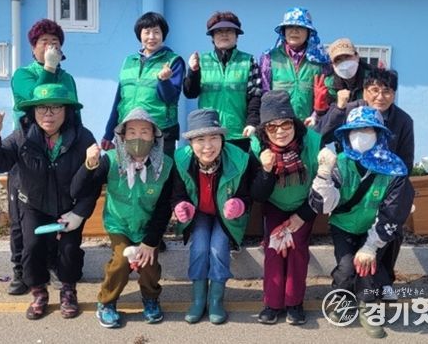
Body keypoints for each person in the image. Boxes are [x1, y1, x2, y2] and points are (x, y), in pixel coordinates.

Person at [0, 84, 101, 320]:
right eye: (42, 108)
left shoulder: (83, 137)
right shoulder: (22, 136)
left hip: (68, 207)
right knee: (32, 247)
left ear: (67, 110)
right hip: (34, 204)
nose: (48, 114)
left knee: (69, 249)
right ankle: (38, 293)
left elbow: (93, 181)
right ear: (33, 111)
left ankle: (68, 292)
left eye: (56, 107)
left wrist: (79, 213)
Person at [309, 106, 414, 338]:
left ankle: (368, 308)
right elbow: (324, 206)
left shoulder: (394, 169)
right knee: (346, 269)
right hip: (344, 226)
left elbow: (393, 211)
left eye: (367, 130)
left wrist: (370, 246)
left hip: (374, 228)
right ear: (346, 135)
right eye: (355, 130)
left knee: (368, 269)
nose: (361, 135)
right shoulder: (340, 163)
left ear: (379, 134)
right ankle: (342, 299)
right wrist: (324, 173)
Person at [314, 68, 414, 301]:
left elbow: (406, 160)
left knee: (389, 236)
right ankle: (349, 295)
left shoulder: (402, 120)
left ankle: (383, 283)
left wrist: (401, 192)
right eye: (374, 90)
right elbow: (324, 133)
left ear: (394, 93)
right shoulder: (350, 110)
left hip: (385, 189)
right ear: (365, 90)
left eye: (387, 91)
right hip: (350, 190)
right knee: (349, 266)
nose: (380, 96)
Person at [6, 19, 79, 295]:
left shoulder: (67, 78)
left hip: (59, 152)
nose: (50, 48)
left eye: (55, 43)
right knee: (22, 217)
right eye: (44, 43)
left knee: (57, 209)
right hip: (28, 154)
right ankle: (20, 270)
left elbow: (73, 114)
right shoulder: (23, 75)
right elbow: (33, 99)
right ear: (33, 48)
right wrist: (48, 69)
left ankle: (52, 265)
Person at [171, 109, 260, 324]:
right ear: (190, 143)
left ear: (222, 138)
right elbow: (177, 193)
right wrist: (180, 205)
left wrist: (239, 205)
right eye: (200, 139)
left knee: (218, 248)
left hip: (226, 215)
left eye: (214, 138)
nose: (208, 146)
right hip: (200, 212)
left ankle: (216, 300)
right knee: (200, 248)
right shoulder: (181, 160)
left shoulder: (239, 159)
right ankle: (198, 299)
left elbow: (247, 194)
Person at [91, 108, 174, 329]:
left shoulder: (166, 165)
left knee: (149, 264)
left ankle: (151, 298)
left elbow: (164, 207)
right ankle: (106, 302)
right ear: (123, 136)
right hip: (119, 223)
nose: (138, 138)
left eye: (145, 132)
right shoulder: (111, 160)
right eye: (132, 132)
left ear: (154, 136)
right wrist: (89, 165)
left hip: (147, 225)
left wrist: (150, 241)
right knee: (120, 261)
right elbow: (82, 189)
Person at [250, 90, 323, 326]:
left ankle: (294, 302)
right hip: (274, 204)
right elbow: (257, 194)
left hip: (305, 203)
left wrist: (303, 215)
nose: (280, 131)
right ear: (264, 130)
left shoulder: (312, 141)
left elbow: (324, 184)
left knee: (297, 246)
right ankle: (272, 303)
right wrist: (266, 171)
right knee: (274, 245)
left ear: (294, 123)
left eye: (285, 124)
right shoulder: (257, 145)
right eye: (272, 127)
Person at [101, 12, 185, 156]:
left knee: (161, 170)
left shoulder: (173, 61)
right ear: (139, 34)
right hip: (129, 131)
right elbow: (119, 100)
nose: (151, 37)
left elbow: (171, 98)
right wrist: (108, 133)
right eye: (147, 32)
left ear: (163, 35)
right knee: (128, 170)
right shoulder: (129, 61)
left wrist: (163, 80)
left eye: (156, 32)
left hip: (161, 132)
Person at [183, 12, 261, 152]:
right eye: (219, 31)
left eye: (229, 31)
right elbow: (190, 93)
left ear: (237, 36)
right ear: (212, 37)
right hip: (209, 134)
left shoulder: (248, 60)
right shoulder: (202, 60)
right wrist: (193, 71)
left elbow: (255, 95)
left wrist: (252, 123)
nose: (224, 34)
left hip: (240, 134)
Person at [259, 7, 330, 124]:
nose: (294, 31)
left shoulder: (321, 60)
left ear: (309, 32)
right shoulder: (269, 57)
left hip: (310, 125)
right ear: (283, 31)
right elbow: (264, 92)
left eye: (300, 27)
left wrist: (315, 116)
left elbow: (328, 93)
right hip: (278, 127)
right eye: (290, 27)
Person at [318, 37, 375, 113]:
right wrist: (339, 106)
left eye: (347, 57)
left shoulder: (373, 78)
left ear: (357, 56)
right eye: (338, 60)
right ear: (332, 65)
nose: (344, 63)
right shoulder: (329, 84)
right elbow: (328, 115)